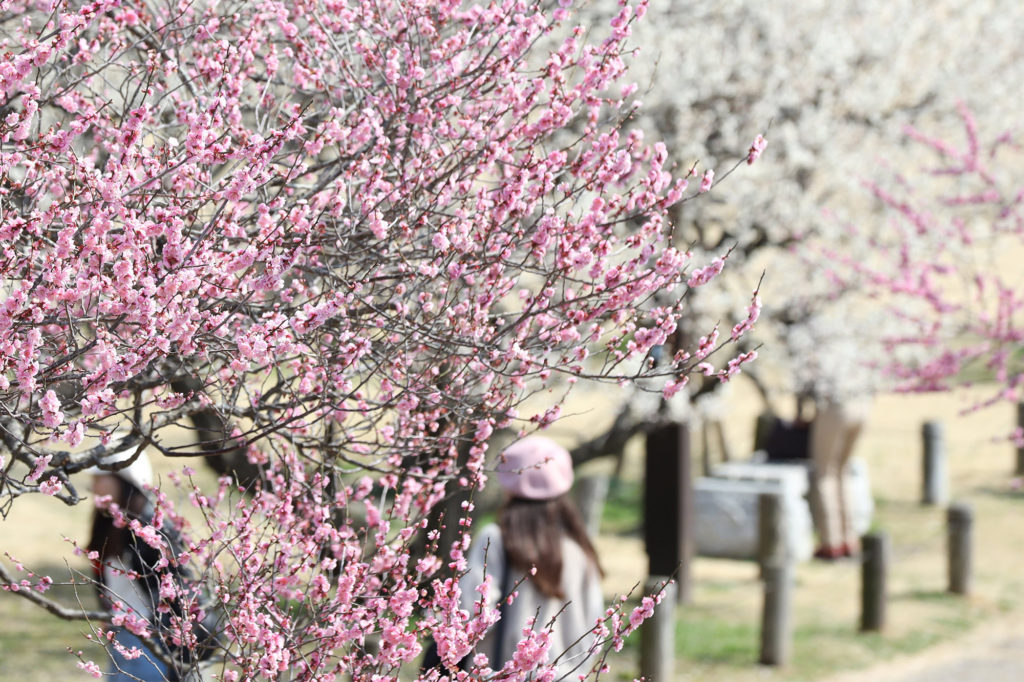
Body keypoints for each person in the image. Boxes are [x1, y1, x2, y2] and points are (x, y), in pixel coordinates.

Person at [458, 436, 605, 676]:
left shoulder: (495, 539)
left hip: (499, 674)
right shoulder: (579, 549)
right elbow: (595, 626)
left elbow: (470, 615)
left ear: (508, 486)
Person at [808, 399, 871, 559]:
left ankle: (831, 542)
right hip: (863, 406)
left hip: (836, 407)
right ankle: (849, 538)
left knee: (825, 474)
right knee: (842, 472)